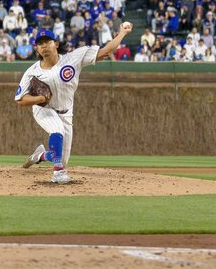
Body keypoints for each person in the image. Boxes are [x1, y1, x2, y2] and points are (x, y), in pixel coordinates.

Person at [15, 21, 133, 184]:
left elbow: (107, 51)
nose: (44, 46)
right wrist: (39, 99)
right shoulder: (32, 72)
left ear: (55, 44)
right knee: (56, 131)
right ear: (37, 49)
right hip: (44, 110)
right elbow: (21, 100)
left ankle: (40, 155)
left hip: (66, 112)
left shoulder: (73, 58)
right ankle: (58, 174)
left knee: (61, 159)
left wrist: (122, 33)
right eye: (40, 44)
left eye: (47, 42)